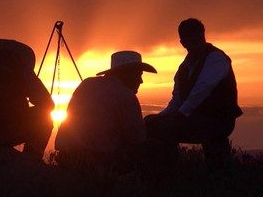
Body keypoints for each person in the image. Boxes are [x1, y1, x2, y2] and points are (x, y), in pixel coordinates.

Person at [145, 18, 243, 171]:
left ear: (202, 36)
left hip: (218, 120)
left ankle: (168, 172)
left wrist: (178, 115)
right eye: (188, 38)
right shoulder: (184, 67)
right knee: (153, 123)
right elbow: (177, 99)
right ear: (182, 41)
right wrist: (161, 116)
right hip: (195, 119)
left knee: (165, 128)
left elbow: (201, 90)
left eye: (196, 37)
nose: (192, 42)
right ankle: (165, 170)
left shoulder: (216, 58)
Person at [55, 51, 161, 171]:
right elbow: (137, 138)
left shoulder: (86, 84)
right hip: (99, 161)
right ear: (126, 74)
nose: (141, 81)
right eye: (138, 75)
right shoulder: (126, 95)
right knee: (157, 147)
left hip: (67, 156)